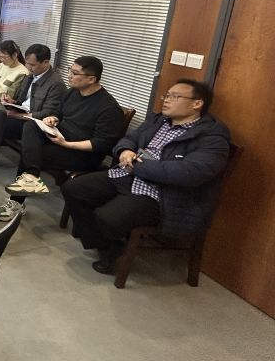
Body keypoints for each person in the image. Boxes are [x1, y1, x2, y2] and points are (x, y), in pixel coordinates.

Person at [61, 79, 230, 274]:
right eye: (166, 95)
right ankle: (107, 245)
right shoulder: (158, 120)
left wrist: (138, 167)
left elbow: (190, 173)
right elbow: (129, 139)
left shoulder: (211, 137)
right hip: (127, 174)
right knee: (73, 189)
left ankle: (108, 248)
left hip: (164, 194)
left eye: (175, 97)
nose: (166, 100)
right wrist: (125, 150)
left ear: (197, 103)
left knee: (107, 217)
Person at [0, 55, 125, 223]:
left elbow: (102, 144)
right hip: (60, 138)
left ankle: (17, 201)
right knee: (31, 126)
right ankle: (32, 177)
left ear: (91, 79)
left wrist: (67, 144)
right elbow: (59, 113)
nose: (69, 75)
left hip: (82, 154)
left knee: (32, 153)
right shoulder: (73, 92)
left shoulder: (109, 108)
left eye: (75, 73)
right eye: (70, 70)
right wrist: (53, 119)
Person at [1, 43, 67, 140]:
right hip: (21, 114)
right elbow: (22, 102)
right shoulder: (30, 76)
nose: (28, 67)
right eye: (26, 63)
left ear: (45, 62)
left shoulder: (56, 84)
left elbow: (47, 113)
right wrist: (12, 102)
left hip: (33, 123)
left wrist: (17, 116)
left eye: (32, 65)